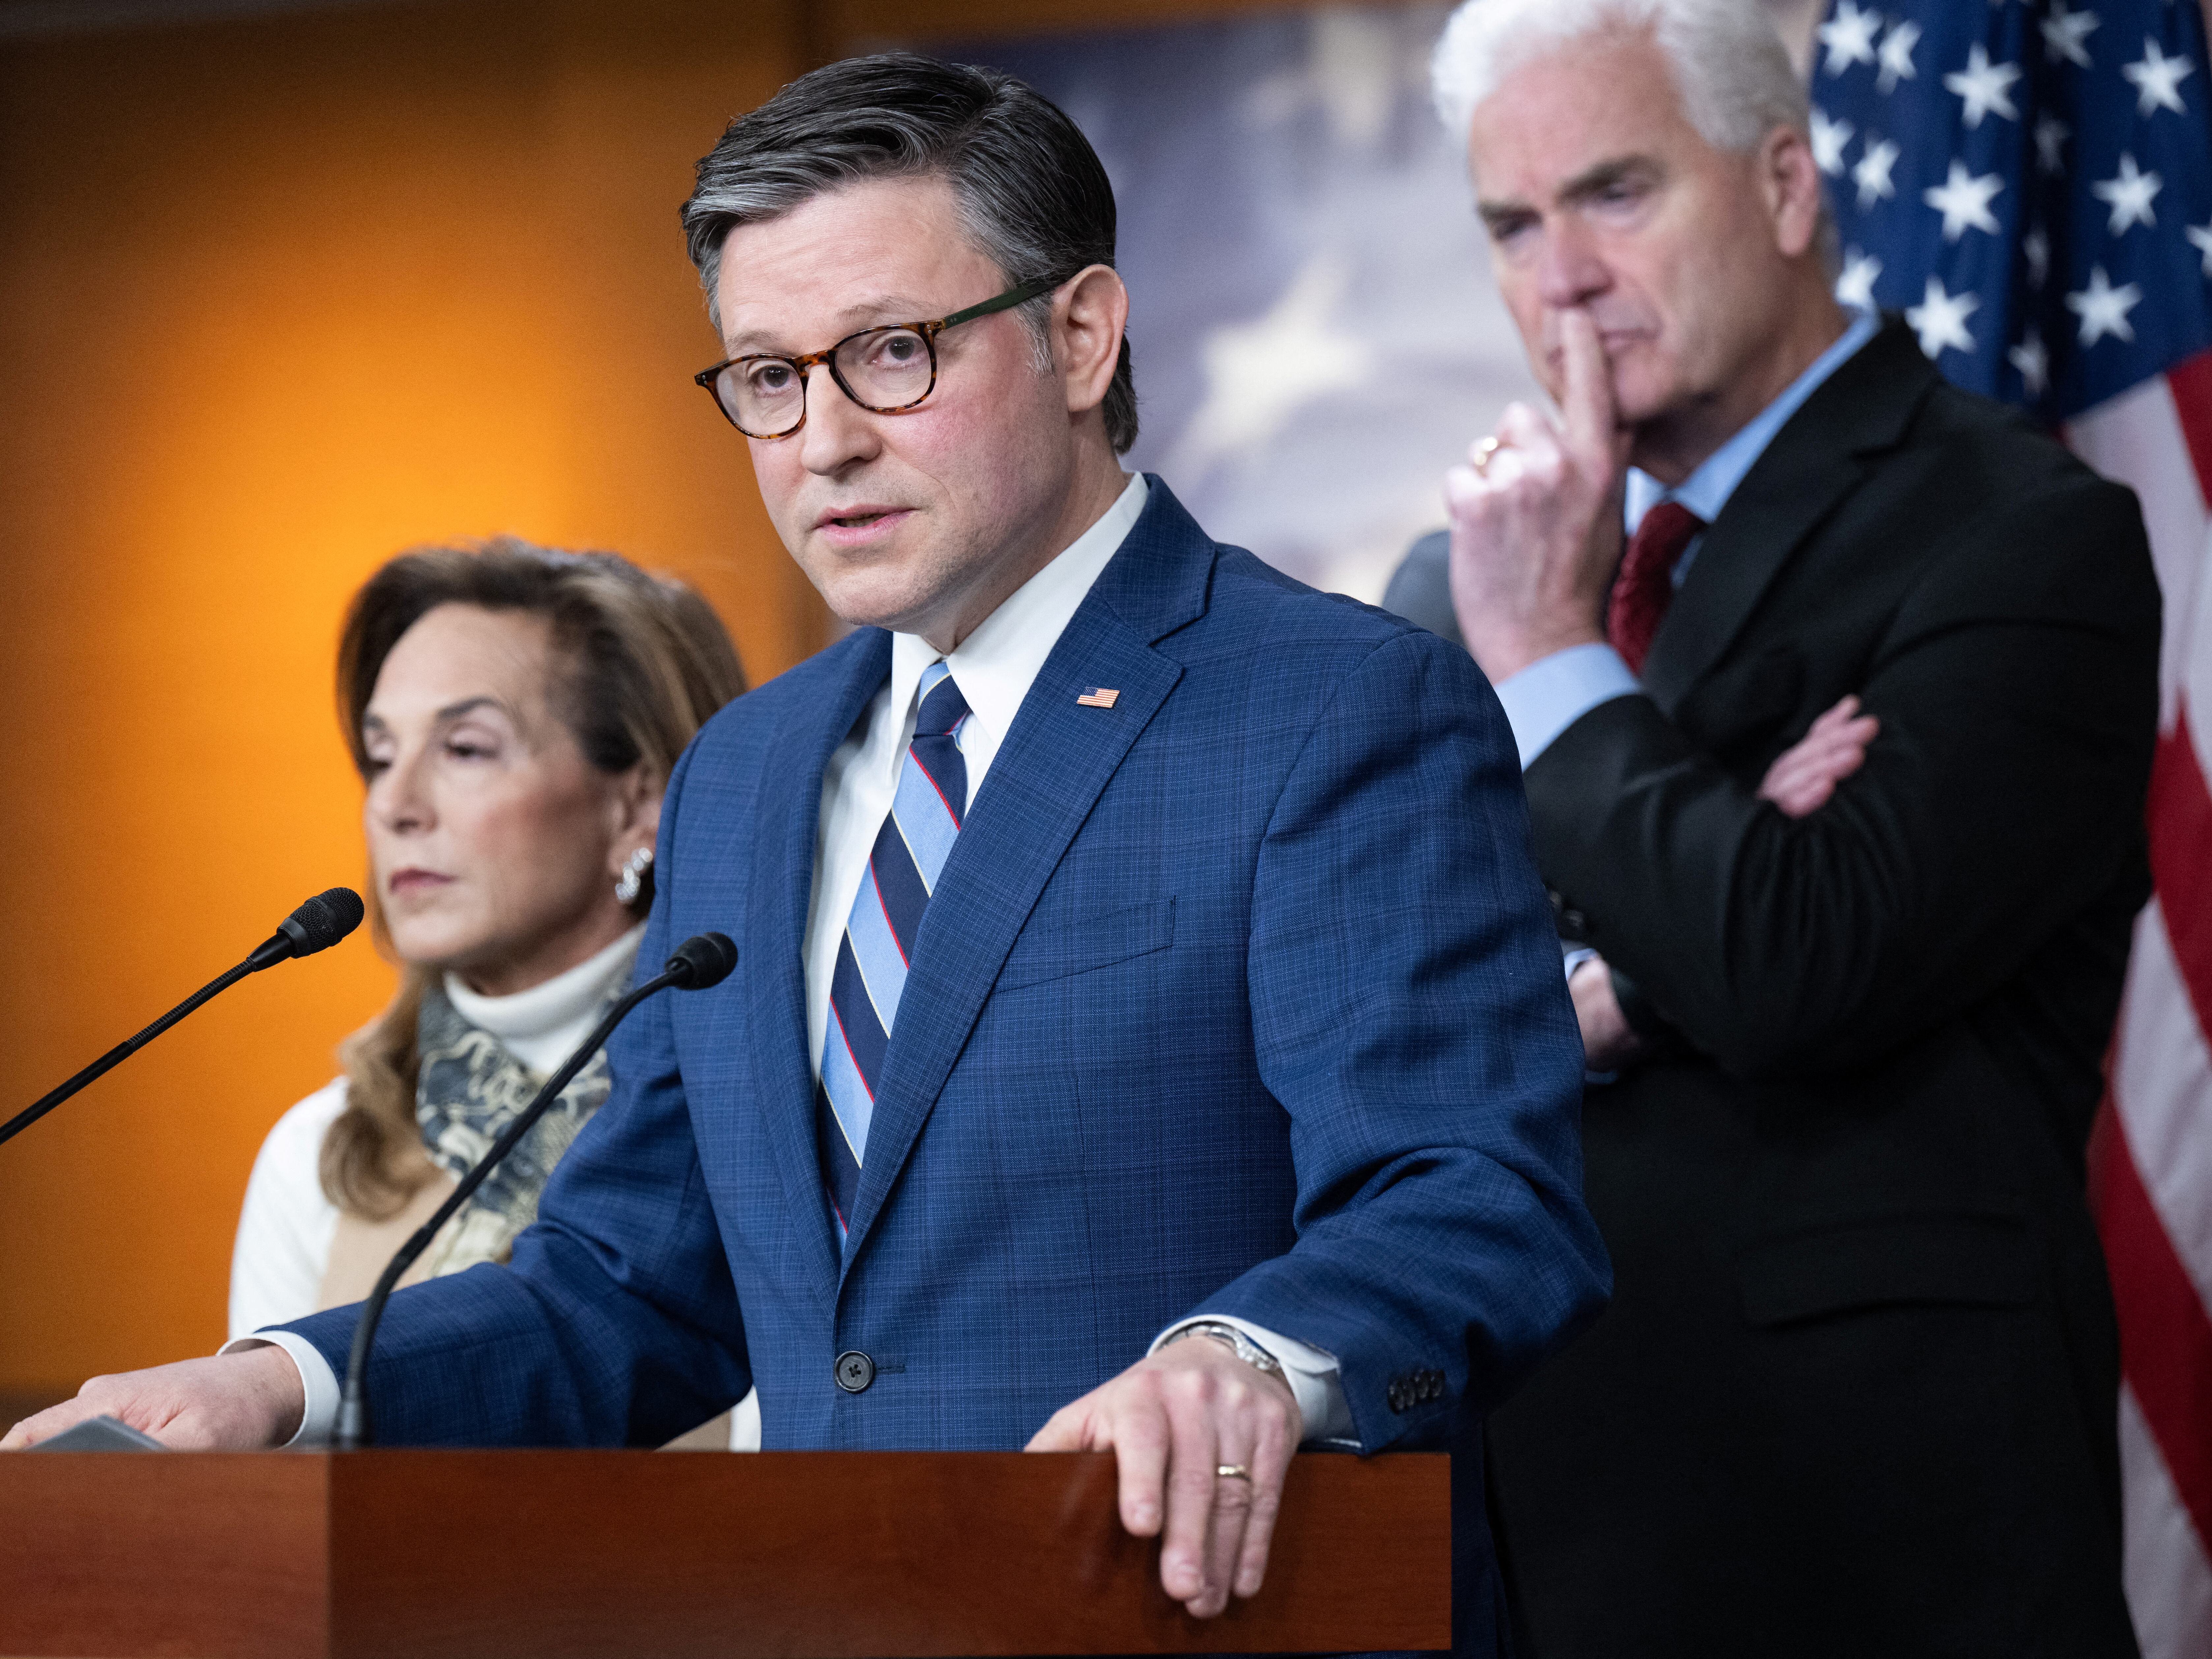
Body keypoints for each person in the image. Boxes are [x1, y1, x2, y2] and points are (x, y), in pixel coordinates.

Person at [5, 53, 1607, 1651]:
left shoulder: (1334, 702)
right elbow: (632, 1284)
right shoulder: (749, 774)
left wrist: (1253, 1355)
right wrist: (281, 1383)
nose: (820, 440)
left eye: (888, 354)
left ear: (1080, 332)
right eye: (766, 377)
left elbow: (1471, 1191)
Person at [1382, 0, 2157, 1653]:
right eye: (1512, 227)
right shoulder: (1449, 590)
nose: (1561, 277)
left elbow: (1797, 957)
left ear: (1789, 183)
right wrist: (1629, 977)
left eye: (1613, 194)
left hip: (1880, 1545)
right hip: (1529, 1532)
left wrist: (1548, 667)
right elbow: (1382, 1018)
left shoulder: (2022, 535)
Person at [227, 538, 752, 1448]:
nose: (396, 804)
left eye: (465, 748)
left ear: (639, 801)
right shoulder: (322, 1151)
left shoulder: (765, 1125)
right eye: (380, 755)